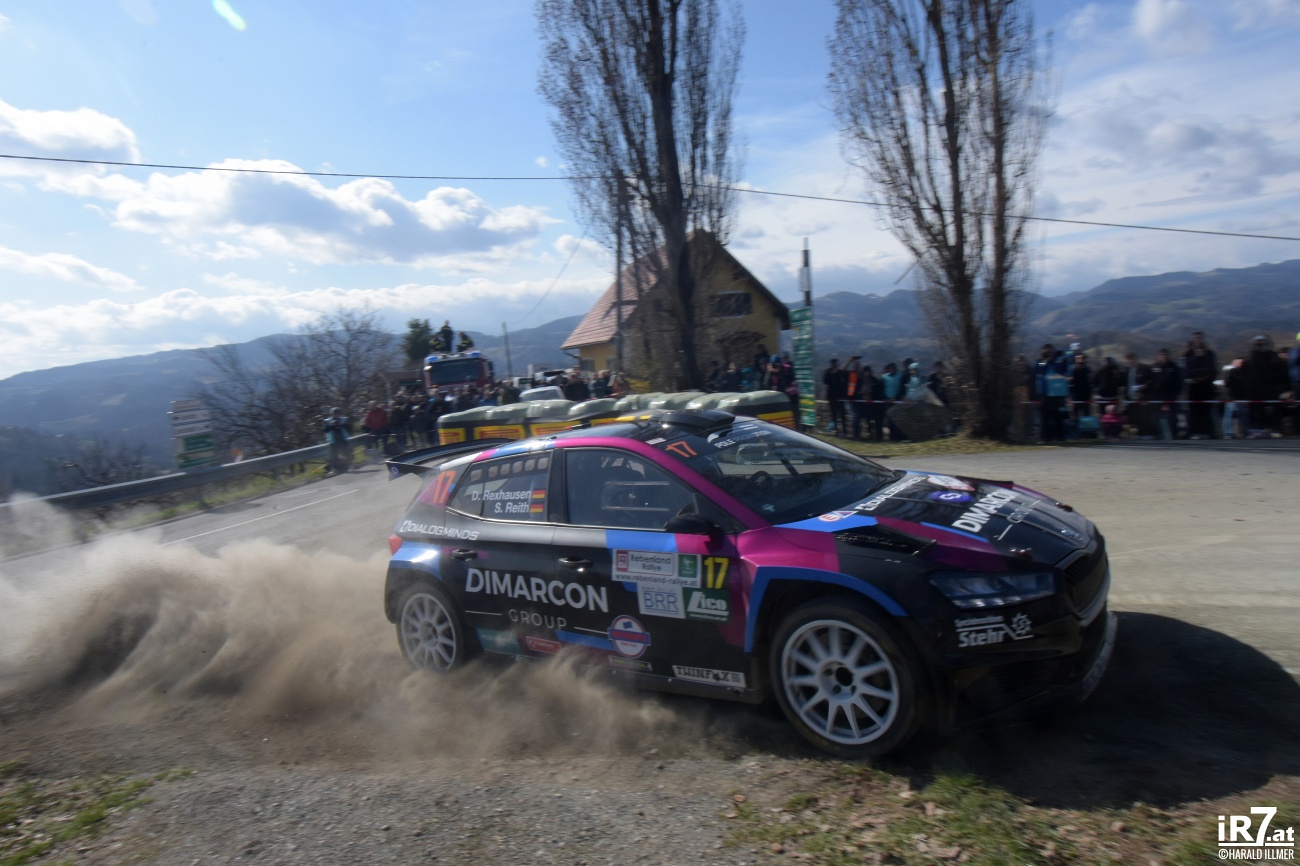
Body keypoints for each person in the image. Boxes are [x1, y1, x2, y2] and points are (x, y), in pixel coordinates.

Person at [1241, 335, 1289, 438]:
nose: (1260, 346)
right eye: (1257, 344)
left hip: (1272, 389)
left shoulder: (1273, 357)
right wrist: (1246, 394)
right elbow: (1245, 378)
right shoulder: (1249, 359)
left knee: (1276, 409)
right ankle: (1258, 430)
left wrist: (1285, 389)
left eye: (1262, 344)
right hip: (1255, 391)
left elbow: (1282, 374)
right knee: (1257, 411)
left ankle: (1276, 429)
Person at [1182, 331, 1219, 439]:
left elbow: (1212, 370)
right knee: (1193, 411)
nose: (1198, 340)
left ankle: (1208, 432)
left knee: (1206, 411)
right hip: (1193, 388)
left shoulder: (1210, 354)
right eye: (1196, 338)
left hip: (1206, 387)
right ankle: (1194, 432)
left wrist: (1200, 376)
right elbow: (1187, 371)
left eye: (1200, 338)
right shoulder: (1188, 354)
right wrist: (1197, 362)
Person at [1034, 344, 1069, 443]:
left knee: (1057, 416)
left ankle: (1060, 437)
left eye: (1049, 351)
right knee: (1044, 416)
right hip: (1045, 393)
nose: (1048, 353)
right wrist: (1044, 360)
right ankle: (1046, 438)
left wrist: (1052, 360)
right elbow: (1039, 370)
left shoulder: (1060, 359)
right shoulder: (1042, 361)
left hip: (1057, 392)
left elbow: (1061, 370)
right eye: (1046, 352)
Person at [1146, 349, 1183, 439]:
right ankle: (1157, 433)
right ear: (1158, 356)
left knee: (1171, 416)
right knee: (1156, 416)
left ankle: (1173, 433)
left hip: (1170, 396)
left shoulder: (1173, 367)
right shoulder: (1155, 367)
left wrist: (1177, 393)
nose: (1163, 357)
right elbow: (1150, 380)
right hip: (1157, 396)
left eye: (1165, 355)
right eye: (1161, 355)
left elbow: (1179, 381)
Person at [322, 407, 352, 475]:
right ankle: (332, 469)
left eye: (338, 414)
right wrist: (332, 425)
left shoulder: (343, 419)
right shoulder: (327, 421)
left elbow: (349, 427)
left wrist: (342, 424)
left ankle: (350, 465)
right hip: (333, 440)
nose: (336, 416)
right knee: (333, 456)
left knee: (346, 453)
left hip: (342, 439)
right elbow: (325, 430)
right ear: (331, 414)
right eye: (335, 414)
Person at [823, 357, 848, 436]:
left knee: (842, 414)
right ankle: (837, 430)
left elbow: (843, 381)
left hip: (840, 396)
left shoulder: (840, 372)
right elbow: (825, 381)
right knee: (834, 415)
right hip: (832, 397)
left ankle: (844, 431)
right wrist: (832, 373)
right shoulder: (828, 372)